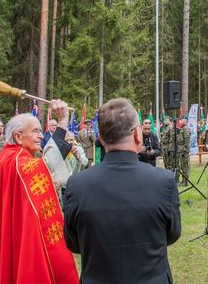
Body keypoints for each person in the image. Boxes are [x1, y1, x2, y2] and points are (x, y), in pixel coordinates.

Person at [63, 98, 181, 283]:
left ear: (101, 139)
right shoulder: (163, 181)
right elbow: (172, 234)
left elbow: (74, 243)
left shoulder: (77, 185)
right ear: (137, 135)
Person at [0, 101, 78, 284]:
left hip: (19, 228)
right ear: (18, 136)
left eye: (41, 131)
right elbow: (48, 166)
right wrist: (63, 122)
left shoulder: (10, 157)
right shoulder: (17, 161)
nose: (41, 136)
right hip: (24, 232)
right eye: (35, 131)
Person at [177, 116, 190, 185]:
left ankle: (185, 182)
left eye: (181, 120)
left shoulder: (186, 129)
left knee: (185, 166)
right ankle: (183, 180)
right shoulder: (183, 128)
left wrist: (185, 150)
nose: (180, 121)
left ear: (185, 121)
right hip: (181, 150)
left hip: (184, 151)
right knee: (182, 166)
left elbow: (187, 140)